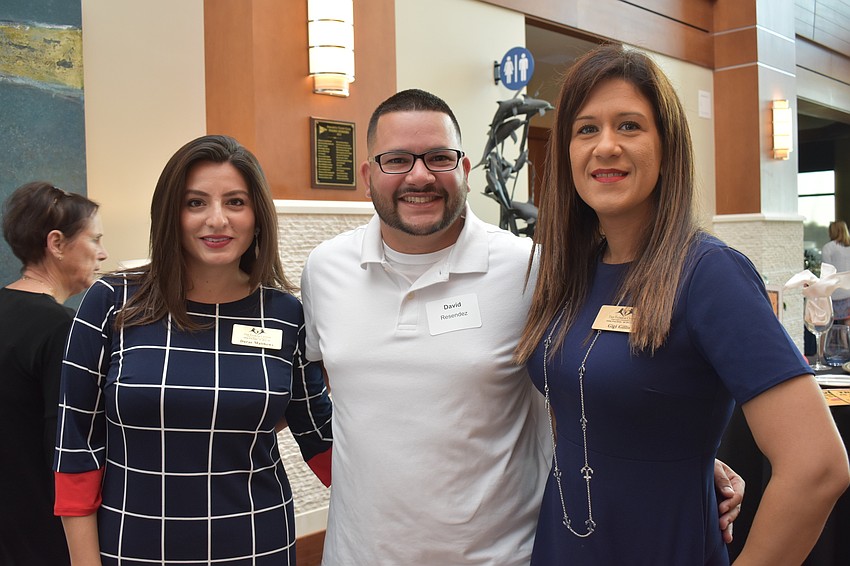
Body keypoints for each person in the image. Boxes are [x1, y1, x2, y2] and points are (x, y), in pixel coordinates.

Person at [301, 88, 745, 566]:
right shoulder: (325, 270)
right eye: (396, 160)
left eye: (438, 157)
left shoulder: (531, 270)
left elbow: (583, 381)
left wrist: (681, 463)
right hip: (357, 554)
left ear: (466, 170)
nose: (420, 176)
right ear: (367, 176)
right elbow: (337, 384)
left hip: (502, 556)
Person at [515, 44, 850, 565]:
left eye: (629, 126)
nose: (606, 146)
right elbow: (594, 399)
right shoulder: (572, 271)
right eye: (586, 129)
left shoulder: (709, 273)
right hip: (565, 547)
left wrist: (685, 460)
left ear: (666, 146)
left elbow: (818, 466)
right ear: (566, 154)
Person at [53, 135, 333, 566]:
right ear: (171, 214)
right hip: (133, 545)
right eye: (196, 203)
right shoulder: (112, 301)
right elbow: (76, 448)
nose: (217, 220)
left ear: (258, 215)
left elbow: (322, 440)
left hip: (258, 543)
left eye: (236, 202)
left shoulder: (285, 315)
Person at [0, 182, 107, 565]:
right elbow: (67, 446)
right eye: (94, 239)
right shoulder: (64, 328)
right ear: (57, 243)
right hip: (40, 531)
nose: (103, 253)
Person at [822, 220, 850, 322]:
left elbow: (827, 273)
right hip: (849, 292)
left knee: (832, 326)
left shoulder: (828, 248)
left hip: (835, 293)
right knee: (847, 325)